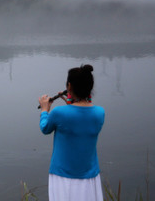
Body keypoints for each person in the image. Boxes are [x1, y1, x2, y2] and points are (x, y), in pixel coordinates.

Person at [38, 64, 105, 201]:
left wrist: (44, 110)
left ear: (69, 86)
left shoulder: (59, 113)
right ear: (90, 88)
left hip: (63, 176)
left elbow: (45, 128)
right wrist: (71, 104)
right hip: (90, 176)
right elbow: (80, 118)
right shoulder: (100, 113)